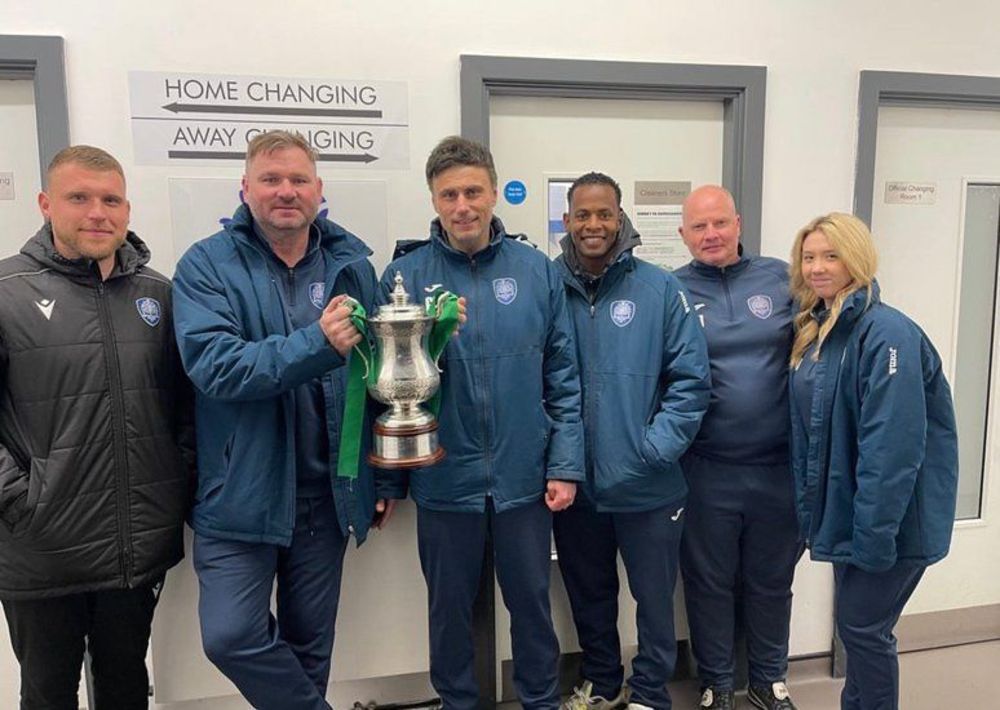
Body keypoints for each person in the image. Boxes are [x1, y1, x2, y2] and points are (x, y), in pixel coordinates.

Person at [172, 130, 390, 710]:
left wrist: (379, 476)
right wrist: (315, 344)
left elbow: (370, 381)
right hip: (239, 496)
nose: (285, 191)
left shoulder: (352, 266)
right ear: (245, 189)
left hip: (326, 496)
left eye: (298, 180)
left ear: (319, 190)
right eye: (271, 180)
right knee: (231, 635)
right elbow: (216, 368)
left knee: (310, 649)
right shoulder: (205, 265)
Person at [377, 136, 584, 710]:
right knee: (448, 612)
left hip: (524, 480)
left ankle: (541, 701)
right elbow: (384, 387)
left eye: (473, 191)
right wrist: (391, 482)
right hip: (443, 480)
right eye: (449, 194)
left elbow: (563, 375)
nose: (462, 205)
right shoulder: (405, 276)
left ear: (493, 192)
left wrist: (565, 463)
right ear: (434, 200)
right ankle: (458, 703)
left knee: (533, 607)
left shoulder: (536, 271)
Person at [0, 145, 192, 709]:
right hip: (42, 549)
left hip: (136, 548)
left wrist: (174, 483)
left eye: (111, 199)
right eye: (78, 198)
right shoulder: (6, 293)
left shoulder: (157, 294)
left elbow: (183, 409)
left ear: (127, 209)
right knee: (48, 693)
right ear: (45, 204)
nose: (97, 213)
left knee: (127, 685)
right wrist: (19, 498)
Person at [554, 172, 711, 710]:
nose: (593, 224)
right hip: (576, 484)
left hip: (648, 483)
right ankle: (600, 684)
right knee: (589, 595)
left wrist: (654, 448)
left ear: (620, 218)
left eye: (604, 214)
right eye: (582, 214)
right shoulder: (549, 287)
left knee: (653, 601)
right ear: (567, 220)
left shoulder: (659, 287)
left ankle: (648, 693)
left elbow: (692, 380)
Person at [788, 212, 958, 710]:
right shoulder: (820, 329)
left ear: (857, 259)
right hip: (851, 515)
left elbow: (892, 447)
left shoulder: (887, 335)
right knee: (858, 628)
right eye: (810, 256)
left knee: (864, 629)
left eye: (831, 255)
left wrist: (874, 535)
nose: (818, 267)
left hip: (890, 522)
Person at [674, 185, 801, 710]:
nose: (711, 235)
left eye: (720, 223)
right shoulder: (670, 289)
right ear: (683, 234)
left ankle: (769, 679)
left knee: (773, 579)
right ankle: (717, 682)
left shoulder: (781, 278)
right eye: (699, 227)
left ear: (739, 223)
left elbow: (840, 306)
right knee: (709, 581)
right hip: (707, 468)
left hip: (778, 467)